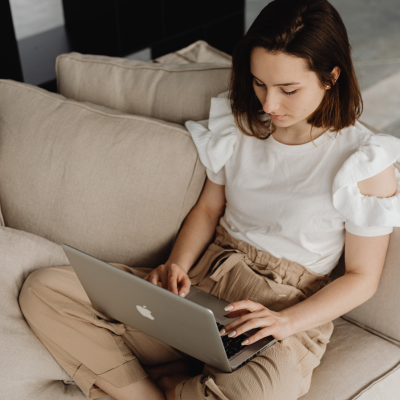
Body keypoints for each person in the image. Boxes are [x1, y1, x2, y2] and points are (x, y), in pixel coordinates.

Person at [19, 0, 400, 399]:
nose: (269, 105)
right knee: (45, 290)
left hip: (282, 308)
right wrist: (176, 267)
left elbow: (362, 278)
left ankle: (173, 382)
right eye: (259, 83)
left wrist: (285, 323)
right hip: (208, 279)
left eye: (288, 89)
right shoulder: (239, 126)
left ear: (330, 76)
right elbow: (208, 209)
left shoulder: (364, 161)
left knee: (260, 391)